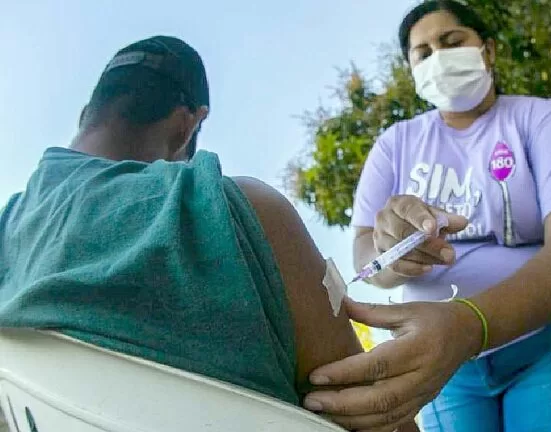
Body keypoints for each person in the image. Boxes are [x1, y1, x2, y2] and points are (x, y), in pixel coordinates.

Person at [0, 36, 422, 432]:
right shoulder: (246, 210)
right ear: (187, 127)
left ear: (86, 113)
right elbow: (381, 415)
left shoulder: (7, 229)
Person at [302, 1, 551, 430]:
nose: (439, 58)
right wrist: (389, 252)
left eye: (452, 42)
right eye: (423, 53)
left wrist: (470, 324)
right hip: (444, 375)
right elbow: (366, 255)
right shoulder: (394, 145)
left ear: (488, 51)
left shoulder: (541, 121)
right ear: (412, 70)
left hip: (549, 347)